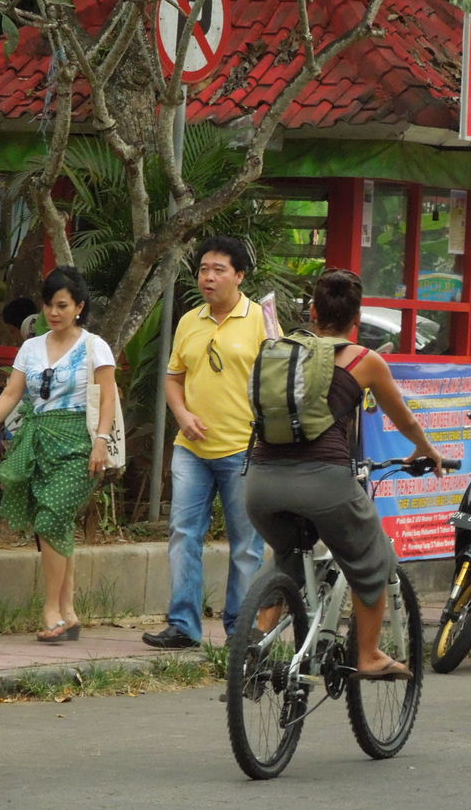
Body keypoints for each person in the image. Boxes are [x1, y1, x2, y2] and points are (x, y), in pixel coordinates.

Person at [245, 269, 445, 677]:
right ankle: (368, 655)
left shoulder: (280, 354)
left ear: (312, 313)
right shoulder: (364, 360)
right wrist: (426, 450)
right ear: (357, 318)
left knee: (287, 555)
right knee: (372, 560)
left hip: (260, 485)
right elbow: (404, 420)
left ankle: (255, 649)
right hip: (324, 484)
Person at [0, 266, 117, 642]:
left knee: (52, 516)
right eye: (49, 305)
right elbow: (12, 392)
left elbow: (108, 396)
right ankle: (69, 612)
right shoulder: (31, 348)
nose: (54, 312)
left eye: (62, 305)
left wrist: (101, 441)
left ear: (79, 307)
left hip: (80, 445)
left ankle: (51, 608)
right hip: (38, 441)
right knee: (57, 522)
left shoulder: (94, 346)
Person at [144, 236, 267, 650]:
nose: (208, 277)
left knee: (246, 544)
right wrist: (182, 414)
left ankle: (240, 629)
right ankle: (183, 625)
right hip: (191, 449)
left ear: (240, 276)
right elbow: (173, 377)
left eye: (219, 270)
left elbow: (278, 378)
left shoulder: (261, 320)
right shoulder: (189, 320)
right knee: (183, 533)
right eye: (203, 270)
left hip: (244, 450)